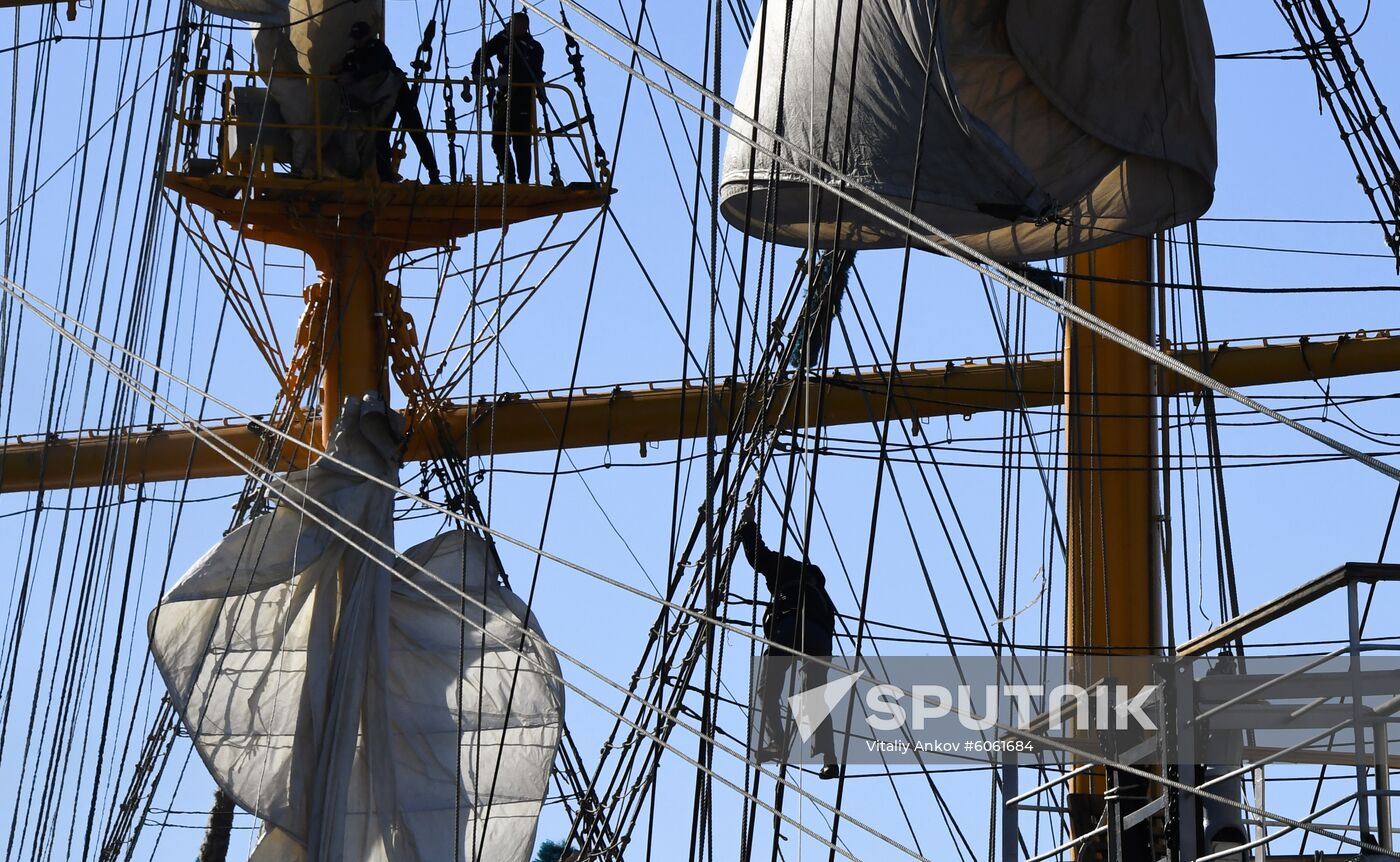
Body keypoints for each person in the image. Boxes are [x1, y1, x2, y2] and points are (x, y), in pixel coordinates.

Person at [737, 504, 841, 780]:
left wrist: (748, 525)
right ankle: (830, 758)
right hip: (819, 640)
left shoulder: (783, 570)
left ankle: (779, 743)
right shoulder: (820, 592)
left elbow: (759, 557)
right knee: (814, 696)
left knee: (767, 690)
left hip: (790, 627)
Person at [332, 21, 442, 183]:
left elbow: (372, 67)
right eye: (356, 39)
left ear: (367, 36)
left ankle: (433, 173)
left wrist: (351, 75)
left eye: (360, 38)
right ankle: (385, 176)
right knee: (381, 137)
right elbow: (348, 68)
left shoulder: (377, 48)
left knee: (416, 132)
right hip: (383, 99)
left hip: (398, 93)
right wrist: (339, 70)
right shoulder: (354, 53)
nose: (358, 41)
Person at [470, 12, 546, 184]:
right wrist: (476, 73)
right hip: (502, 96)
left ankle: (524, 181)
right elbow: (483, 52)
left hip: (523, 96)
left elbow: (534, 72)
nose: (509, 26)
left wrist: (539, 92)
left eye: (513, 24)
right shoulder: (502, 40)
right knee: (498, 141)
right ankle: (509, 179)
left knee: (521, 141)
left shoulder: (534, 47)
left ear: (523, 27)